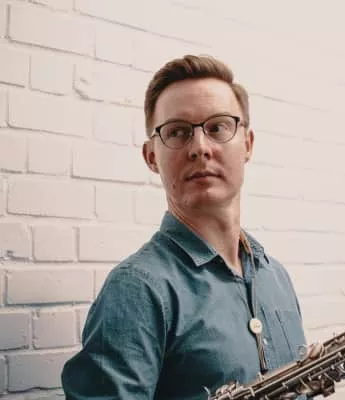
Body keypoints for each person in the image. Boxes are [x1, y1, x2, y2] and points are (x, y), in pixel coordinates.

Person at [61, 55, 307, 400]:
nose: (200, 148)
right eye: (177, 132)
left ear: (247, 144)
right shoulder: (135, 290)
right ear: (151, 156)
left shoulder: (276, 276)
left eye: (218, 127)